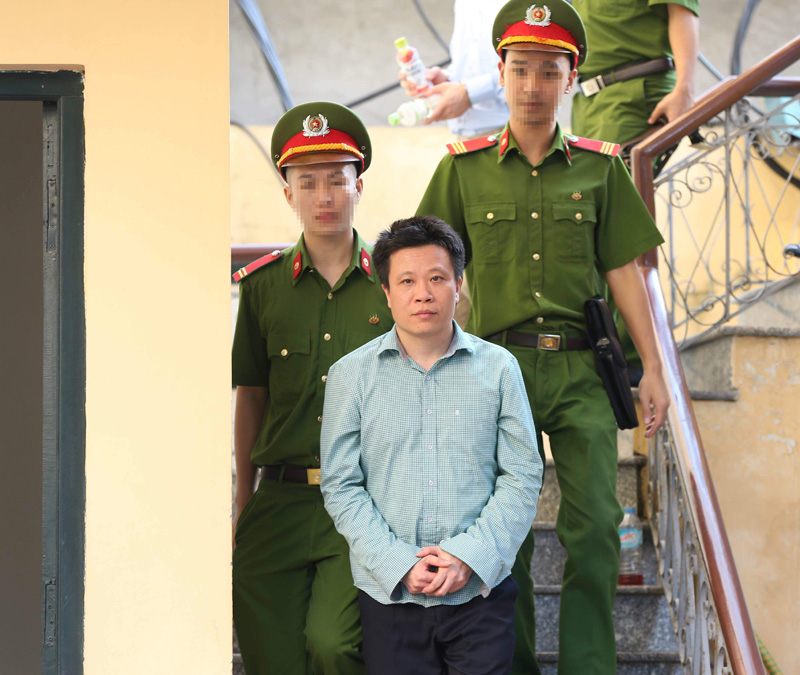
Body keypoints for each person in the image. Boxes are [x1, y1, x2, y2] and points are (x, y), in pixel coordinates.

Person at [415, 1, 671, 673]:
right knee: (507, 537)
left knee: (596, 530)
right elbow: (429, 273)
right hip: (495, 373)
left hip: (584, 373)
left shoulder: (601, 168)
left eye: (549, 71)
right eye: (521, 69)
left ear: (571, 79)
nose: (533, 85)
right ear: (500, 74)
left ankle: (589, 666)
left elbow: (624, 270)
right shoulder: (462, 169)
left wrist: (654, 368)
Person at [320, 215, 542, 675]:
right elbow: (341, 485)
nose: (423, 293)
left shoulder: (500, 369)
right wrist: (397, 562)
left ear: (458, 285)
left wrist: (469, 555)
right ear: (386, 292)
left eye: (437, 278)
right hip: (390, 595)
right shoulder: (350, 375)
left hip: (481, 593)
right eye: (407, 281)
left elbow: (522, 475)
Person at [231, 101, 391, 675]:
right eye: (307, 183)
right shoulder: (263, 288)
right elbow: (251, 396)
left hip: (360, 503)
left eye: (336, 180)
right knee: (272, 658)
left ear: (358, 186)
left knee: (334, 645)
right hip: (277, 501)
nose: (324, 196)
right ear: (288, 194)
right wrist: (243, 502)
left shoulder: (392, 287)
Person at [571, 0, 699, 149]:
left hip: (633, 93)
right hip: (586, 99)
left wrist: (684, 90)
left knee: (611, 163)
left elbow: (681, 12)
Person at [399, 0, 509, 138]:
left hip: (512, 133)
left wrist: (468, 93)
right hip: (468, 137)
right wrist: (447, 80)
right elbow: (472, 62)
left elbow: (531, 67)